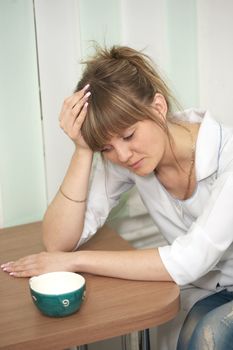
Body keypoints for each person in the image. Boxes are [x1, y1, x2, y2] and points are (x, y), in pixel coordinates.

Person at [2, 45, 233, 349]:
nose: (122, 155)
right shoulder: (132, 161)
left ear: (158, 107)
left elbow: (189, 260)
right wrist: (84, 149)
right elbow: (58, 241)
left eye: (128, 135)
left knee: (208, 338)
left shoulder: (227, 155)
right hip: (217, 290)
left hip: (211, 286)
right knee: (189, 334)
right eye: (106, 148)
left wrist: (76, 261)